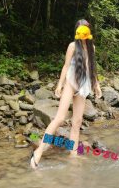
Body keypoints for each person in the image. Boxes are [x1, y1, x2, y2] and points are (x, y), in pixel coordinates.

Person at [30, 19, 102, 169]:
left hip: (83, 85)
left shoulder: (91, 48)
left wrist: (97, 85)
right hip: (71, 82)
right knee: (59, 118)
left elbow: (92, 68)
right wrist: (59, 85)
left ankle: (73, 155)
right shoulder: (72, 46)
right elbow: (66, 66)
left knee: (77, 122)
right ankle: (39, 152)